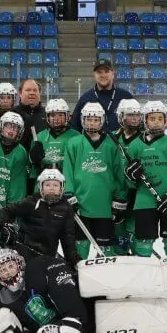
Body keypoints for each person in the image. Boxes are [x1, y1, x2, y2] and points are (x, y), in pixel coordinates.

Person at [123, 101, 167, 259]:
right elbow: (127, 181)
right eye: (152, 118)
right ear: (145, 120)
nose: (156, 122)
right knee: (143, 242)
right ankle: (144, 279)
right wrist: (130, 175)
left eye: (160, 118)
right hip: (145, 201)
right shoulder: (135, 146)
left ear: (165, 120)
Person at [0, 248, 87, 333]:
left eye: (11, 266)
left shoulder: (37, 268)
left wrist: (74, 316)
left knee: (59, 282)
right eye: (2, 270)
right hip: (45, 330)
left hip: (84, 317)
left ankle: (73, 320)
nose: (8, 272)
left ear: (19, 263)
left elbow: (59, 272)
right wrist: (2, 325)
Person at [63, 102, 124, 259]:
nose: (92, 123)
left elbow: (119, 173)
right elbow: (68, 171)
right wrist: (69, 193)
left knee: (106, 250)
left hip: (105, 206)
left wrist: (119, 198)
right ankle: (78, 277)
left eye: (96, 120)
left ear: (102, 120)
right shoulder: (74, 143)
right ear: (83, 120)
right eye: (89, 119)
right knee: (80, 247)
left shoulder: (111, 144)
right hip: (81, 205)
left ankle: (105, 280)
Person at [0, 169, 78, 268]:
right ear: (41, 186)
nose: (51, 188)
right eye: (47, 185)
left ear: (61, 187)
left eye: (55, 185)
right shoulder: (31, 202)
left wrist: (72, 260)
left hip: (47, 256)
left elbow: (68, 238)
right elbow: (8, 210)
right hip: (24, 251)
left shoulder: (66, 208)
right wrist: (5, 225)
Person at [111, 98, 142, 255]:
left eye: (137, 115)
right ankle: (119, 257)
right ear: (121, 116)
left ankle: (138, 259)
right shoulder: (111, 138)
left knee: (134, 229)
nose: (135, 119)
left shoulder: (145, 139)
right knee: (118, 229)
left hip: (137, 193)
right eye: (130, 115)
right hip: (116, 194)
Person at [71, 59, 133, 134]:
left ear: (113, 74)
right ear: (94, 75)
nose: (103, 75)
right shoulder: (85, 99)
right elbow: (74, 128)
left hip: (120, 144)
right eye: (99, 72)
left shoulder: (126, 97)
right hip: (94, 145)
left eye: (106, 71)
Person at [28, 98, 80, 182]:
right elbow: (33, 171)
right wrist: (34, 161)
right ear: (47, 117)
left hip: (68, 182)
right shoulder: (40, 137)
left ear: (67, 116)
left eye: (60, 115)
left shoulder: (76, 136)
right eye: (53, 115)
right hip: (44, 183)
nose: (57, 118)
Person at [12, 79, 47, 152]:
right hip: (17, 160)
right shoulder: (12, 113)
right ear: (20, 93)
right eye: (28, 90)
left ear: (39, 93)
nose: (32, 93)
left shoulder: (48, 114)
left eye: (35, 90)